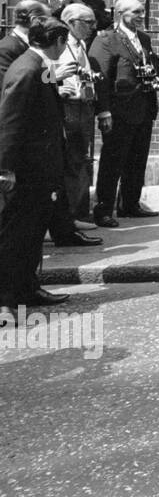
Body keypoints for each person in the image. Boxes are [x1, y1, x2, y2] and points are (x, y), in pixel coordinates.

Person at [0, 17, 73, 315]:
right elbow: (9, 122)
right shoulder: (29, 69)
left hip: (40, 169)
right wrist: (4, 168)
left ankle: (27, 289)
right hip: (28, 171)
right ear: (57, 41)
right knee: (16, 236)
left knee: (32, 234)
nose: (65, 48)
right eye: (64, 42)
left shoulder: (36, 65)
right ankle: (5, 299)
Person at [90, 0, 159, 228]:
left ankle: (130, 204)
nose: (141, 15)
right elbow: (100, 79)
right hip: (119, 111)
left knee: (137, 160)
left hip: (143, 108)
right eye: (136, 12)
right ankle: (103, 210)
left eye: (142, 11)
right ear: (120, 13)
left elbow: (146, 66)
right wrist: (103, 112)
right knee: (113, 162)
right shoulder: (107, 39)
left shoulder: (144, 39)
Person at [53, 3, 105, 238]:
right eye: (88, 22)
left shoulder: (82, 44)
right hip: (69, 106)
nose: (93, 27)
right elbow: (40, 74)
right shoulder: (58, 44)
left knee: (81, 161)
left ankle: (78, 214)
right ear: (70, 22)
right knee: (72, 162)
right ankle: (70, 216)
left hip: (85, 106)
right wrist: (56, 79)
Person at [0, 0, 51, 85]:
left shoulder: (38, 45)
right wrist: (53, 77)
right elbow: (11, 86)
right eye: (47, 21)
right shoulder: (5, 49)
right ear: (35, 20)